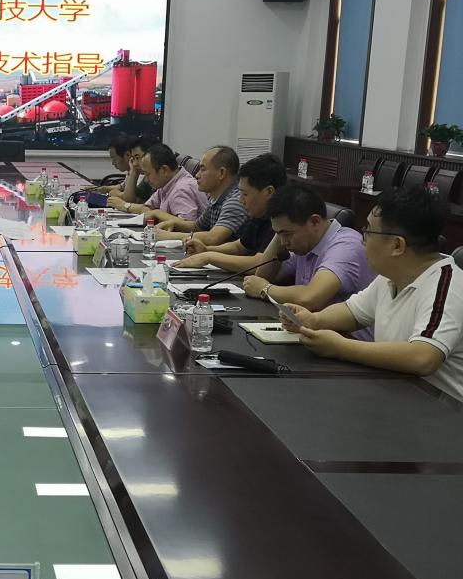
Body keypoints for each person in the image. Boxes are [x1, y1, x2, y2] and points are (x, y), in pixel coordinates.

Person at [282, 186, 462, 402]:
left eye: (369, 231)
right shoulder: (391, 275)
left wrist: (340, 347)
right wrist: (314, 320)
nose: (362, 239)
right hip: (395, 393)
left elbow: (423, 357)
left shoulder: (447, 287)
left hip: (441, 410)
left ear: (397, 245)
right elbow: (353, 312)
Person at [243, 182, 375, 313]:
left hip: (344, 328)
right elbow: (262, 277)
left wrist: (265, 289)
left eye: (287, 234)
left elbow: (310, 298)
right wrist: (280, 231)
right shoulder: (306, 243)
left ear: (315, 222)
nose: (283, 242)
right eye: (279, 234)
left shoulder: (346, 247)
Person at [175, 153, 286, 272]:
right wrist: (206, 250)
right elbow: (239, 247)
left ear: (269, 192)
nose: (241, 201)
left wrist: (209, 257)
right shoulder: (259, 214)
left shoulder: (282, 219)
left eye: (245, 194)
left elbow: (260, 263)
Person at [155, 145, 248, 247]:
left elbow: (213, 238)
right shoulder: (216, 199)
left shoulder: (235, 201)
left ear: (221, 173)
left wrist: (169, 236)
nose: (197, 175)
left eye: (203, 169)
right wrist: (174, 223)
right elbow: (198, 227)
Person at [115, 143, 206, 222]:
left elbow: (186, 225)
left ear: (164, 170)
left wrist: (157, 213)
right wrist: (124, 205)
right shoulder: (167, 183)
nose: (146, 179)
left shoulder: (181, 189)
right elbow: (147, 208)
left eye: (148, 174)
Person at [101, 135, 156, 206]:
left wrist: (120, 197)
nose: (135, 163)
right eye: (133, 158)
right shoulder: (145, 176)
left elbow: (130, 200)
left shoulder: (154, 178)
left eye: (137, 158)